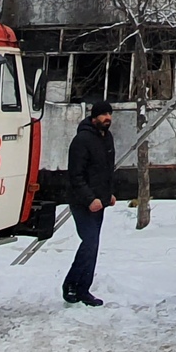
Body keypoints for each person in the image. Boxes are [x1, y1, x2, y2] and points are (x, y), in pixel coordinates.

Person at [61, 99, 116, 307]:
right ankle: (71, 285)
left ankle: (83, 289)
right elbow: (76, 176)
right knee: (90, 242)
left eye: (110, 114)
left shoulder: (107, 138)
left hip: (99, 203)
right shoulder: (82, 140)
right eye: (104, 115)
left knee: (92, 246)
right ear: (94, 117)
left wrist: (109, 194)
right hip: (82, 202)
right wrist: (89, 198)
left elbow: (106, 171)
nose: (108, 118)